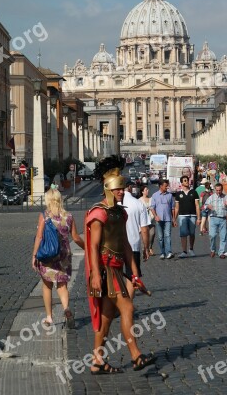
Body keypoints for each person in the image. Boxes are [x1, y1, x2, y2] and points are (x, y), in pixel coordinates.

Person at [85, 155, 156, 373]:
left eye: (122, 188)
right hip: (105, 271)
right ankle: (136, 356)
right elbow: (93, 248)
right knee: (127, 307)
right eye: (118, 189)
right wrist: (96, 276)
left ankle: (97, 361)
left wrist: (134, 274)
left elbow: (125, 244)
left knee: (106, 319)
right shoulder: (99, 214)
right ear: (108, 188)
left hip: (116, 268)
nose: (121, 192)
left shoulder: (119, 213)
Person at [32, 186, 84, 328]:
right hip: (64, 256)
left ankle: (49, 317)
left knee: (47, 285)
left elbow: (39, 236)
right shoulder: (69, 216)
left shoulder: (44, 216)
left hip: (48, 255)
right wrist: (87, 247)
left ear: (48, 200)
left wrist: (34, 255)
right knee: (62, 285)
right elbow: (75, 237)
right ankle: (66, 308)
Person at [121, 181, 150, 298]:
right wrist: (146, 248)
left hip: (114, 246)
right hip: (133, 244)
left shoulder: (112, 203)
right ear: (129, 187)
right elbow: (144, 229)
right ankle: (128, 306)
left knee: (115, 276)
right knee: (132, 277)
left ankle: (120, 305)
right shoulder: (138, 204)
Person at [174, 175, 200, 258]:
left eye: (187, 180)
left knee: (192, 233)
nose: (187, 182)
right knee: (183, 234)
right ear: (181, 182)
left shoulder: (194, 192)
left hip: (192, 215)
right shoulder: (178, 194)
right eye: (185, 180)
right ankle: (184, 251)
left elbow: (197, 206)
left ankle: (191, 249)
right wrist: (174, 219)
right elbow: (176, 207)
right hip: (182, 216)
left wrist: (199, 218)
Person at [150, 179, 175, 259]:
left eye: (167, 186)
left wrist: (174, 219)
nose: (167, 187)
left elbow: (172, 208)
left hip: (168, 219)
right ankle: (162, 252)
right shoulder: (155, 195)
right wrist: (155, 216)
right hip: (159, 219)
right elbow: (152, 208)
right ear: (161, 186)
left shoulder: (170, 195)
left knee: (167, 235)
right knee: (160, 237)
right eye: (165, 186)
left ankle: (169, 252)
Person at [206, 183, 227, 259]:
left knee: (223, 236)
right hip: (213, 218)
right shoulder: (211, 197)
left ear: (222, 189)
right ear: (215, 189)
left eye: (220, 190)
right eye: (217, 190)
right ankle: (213, 249)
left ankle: (221, 252)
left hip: (223, 218)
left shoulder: (226, 197)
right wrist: (208, 206)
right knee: (212, 235)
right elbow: (204, 206)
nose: (218, 192)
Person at [138, 183, 156, 255]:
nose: (147, 190)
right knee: (144, 235)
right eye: (146, 190)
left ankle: (150, 247)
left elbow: (154, 207)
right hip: (143, 221)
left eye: (147, 189)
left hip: (151, 220)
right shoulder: (139, 200)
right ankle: (145, 250)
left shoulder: (151, 199)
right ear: (142, 191)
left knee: (152, 233)